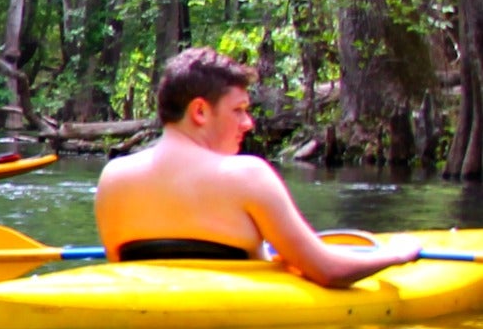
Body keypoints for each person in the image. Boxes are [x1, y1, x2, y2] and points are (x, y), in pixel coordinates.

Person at [95, 47, 417, 283]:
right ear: (200, 112)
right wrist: (397, 254)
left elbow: (120, 271)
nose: (248, 123)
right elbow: (329, 271)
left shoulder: (114, 177)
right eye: (239, 110)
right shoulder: (247, 174)